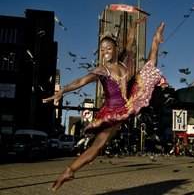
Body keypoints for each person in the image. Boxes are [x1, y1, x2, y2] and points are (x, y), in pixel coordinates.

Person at [42, 16, 165, 191]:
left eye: (108, 48)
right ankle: (67, 172)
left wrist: (134, 24)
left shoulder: (125, 61)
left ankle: (156, 39)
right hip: (113, 111)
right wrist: (62, 91)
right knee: (97, 147)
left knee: (150, 68)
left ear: (115, 49)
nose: (105, 51)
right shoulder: (102, 70)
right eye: (102, 49)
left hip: (128, 101)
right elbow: (81, 81)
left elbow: (130, 40)